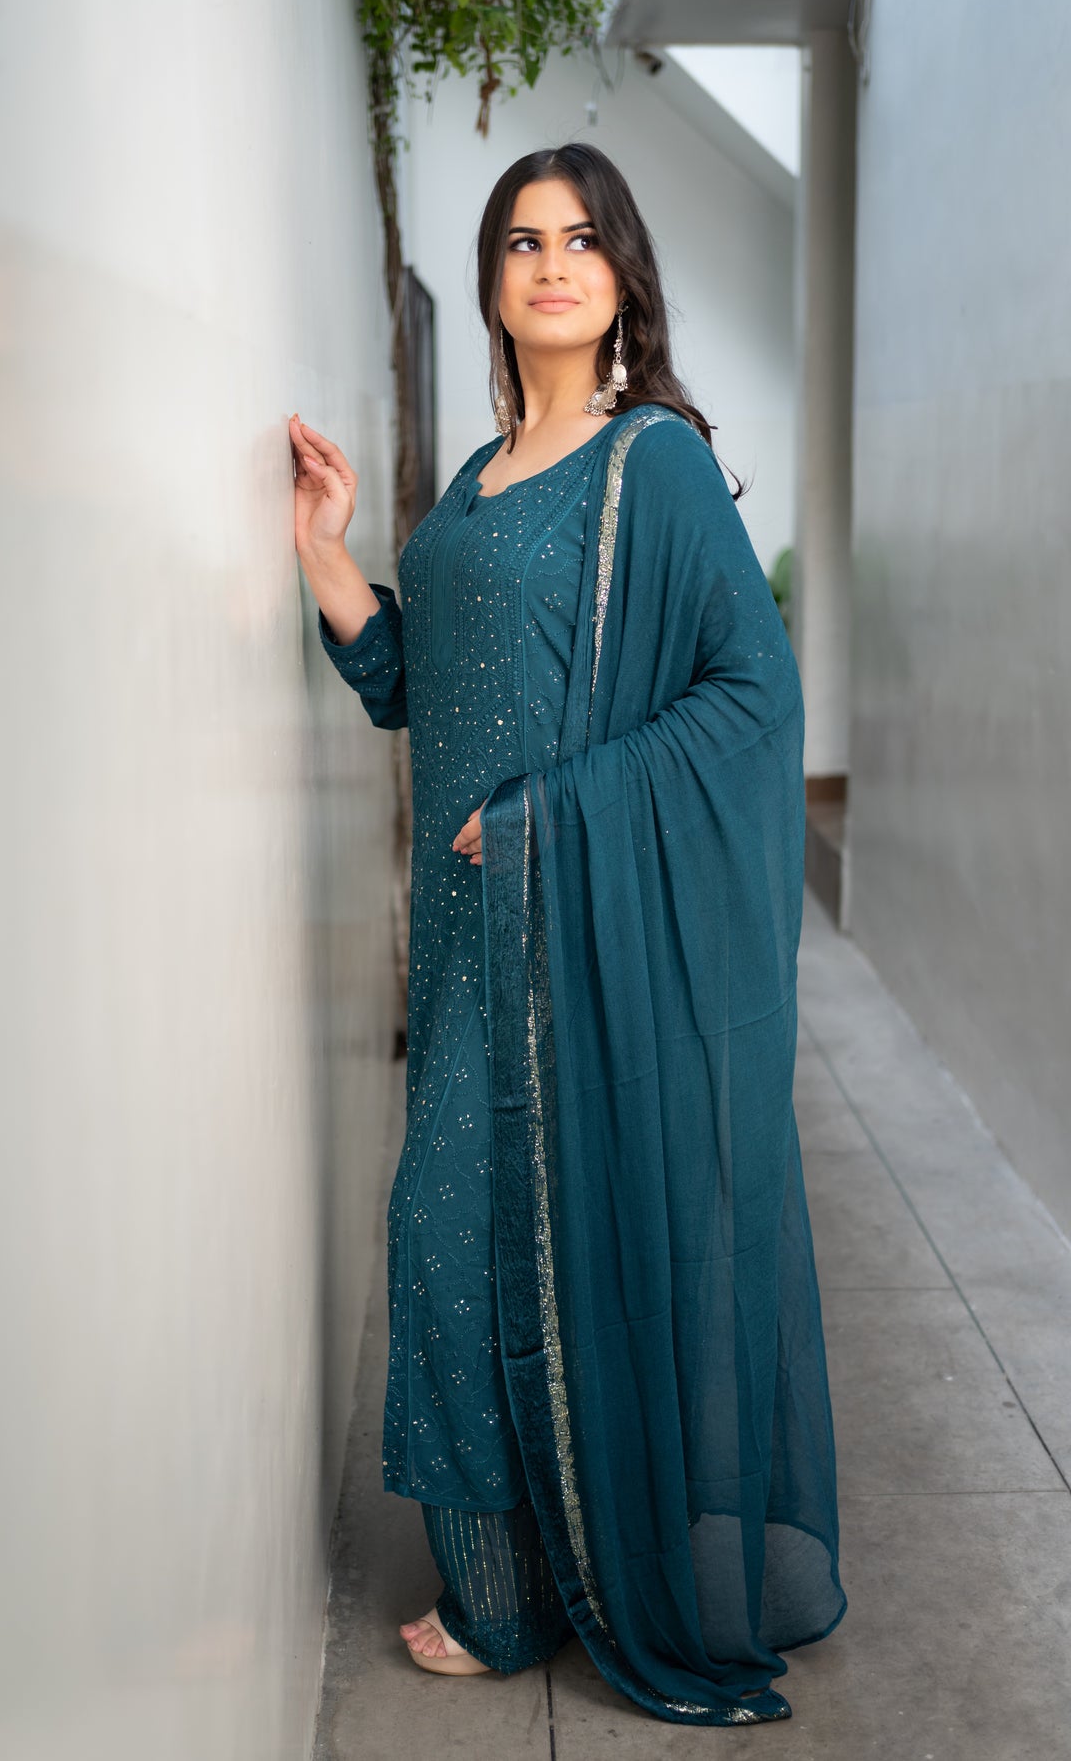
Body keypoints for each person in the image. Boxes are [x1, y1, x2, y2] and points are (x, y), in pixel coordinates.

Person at [291, 143, 847, 1726]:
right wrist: (331, 548)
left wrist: (556, 812)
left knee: (464, 1240)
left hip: (581, 937)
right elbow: (415, 687)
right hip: (470, 944)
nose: (550, 263)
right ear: (491, 282)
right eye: (522, 240)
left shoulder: (648, 462)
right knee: (471, 1245)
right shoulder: (471, 483)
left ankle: (516, 1595)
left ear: (621, 277)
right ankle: (515, 1580)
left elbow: (753, 700)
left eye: (582, 238)